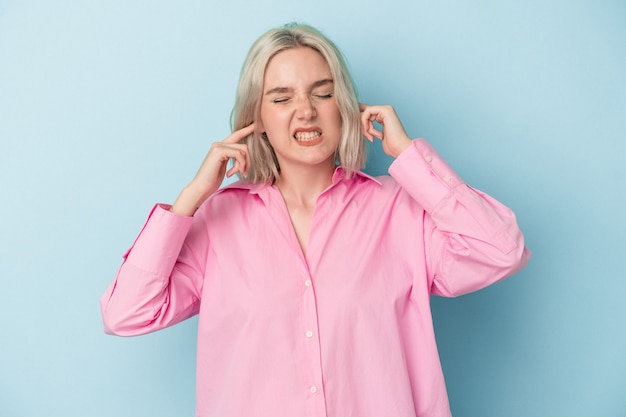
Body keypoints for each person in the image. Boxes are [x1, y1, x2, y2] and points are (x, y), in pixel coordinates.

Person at [101, 23, 531, 417]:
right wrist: (190, 199)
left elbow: (501, 251)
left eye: (322, 93)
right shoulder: (217, 221)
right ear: (257, 119)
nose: (305, 110)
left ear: (344, 106)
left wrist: (409, 157)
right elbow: (127, 313)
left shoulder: (399, 210)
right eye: (282, 97)